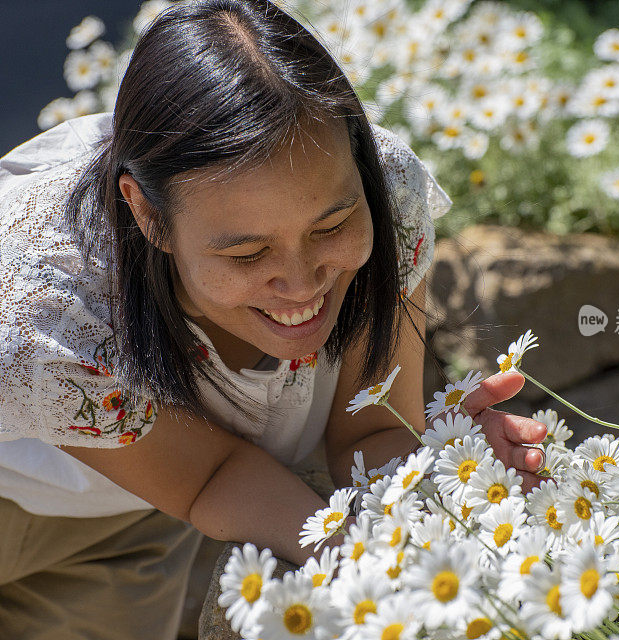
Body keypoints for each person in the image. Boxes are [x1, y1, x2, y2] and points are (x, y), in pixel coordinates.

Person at [0, 1, 547, 638]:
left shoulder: (388, 199)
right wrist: (365, 562)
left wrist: (451, 478)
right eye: (246, 252)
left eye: (333, 226)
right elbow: (209, 474)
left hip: (126, 512)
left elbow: (365, 432)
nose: (302, 282)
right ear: (147, 215)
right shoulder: (44, 307)